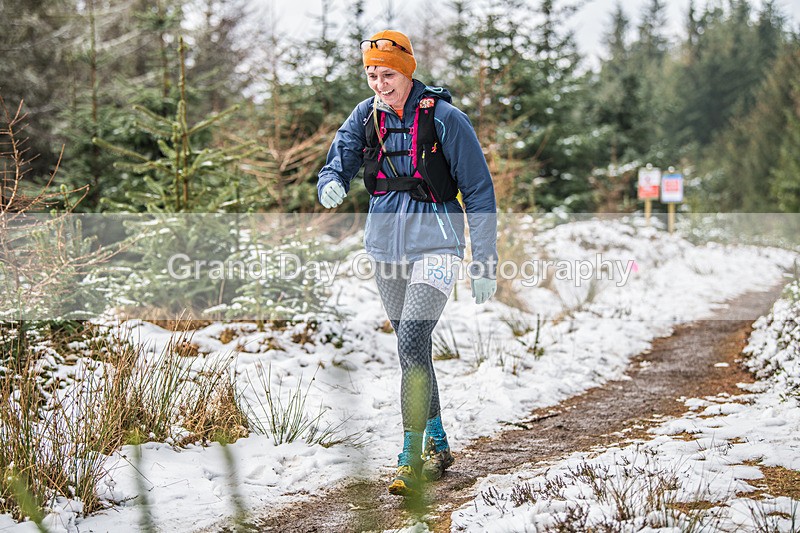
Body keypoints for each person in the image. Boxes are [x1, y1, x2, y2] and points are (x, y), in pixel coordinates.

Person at [317, 30, 498, 496]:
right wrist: (330, 182)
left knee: (414, 336)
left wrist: (484, 260)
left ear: (408, 70)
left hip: (437, 245)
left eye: (388, 74)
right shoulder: (366, 116)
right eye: (373, 75)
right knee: (410, 346)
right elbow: (337, 160)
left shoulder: (445, 119)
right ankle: (438, 442)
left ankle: (410, 457)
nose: (379, 83)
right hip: (384, 248)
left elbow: (478, 191)